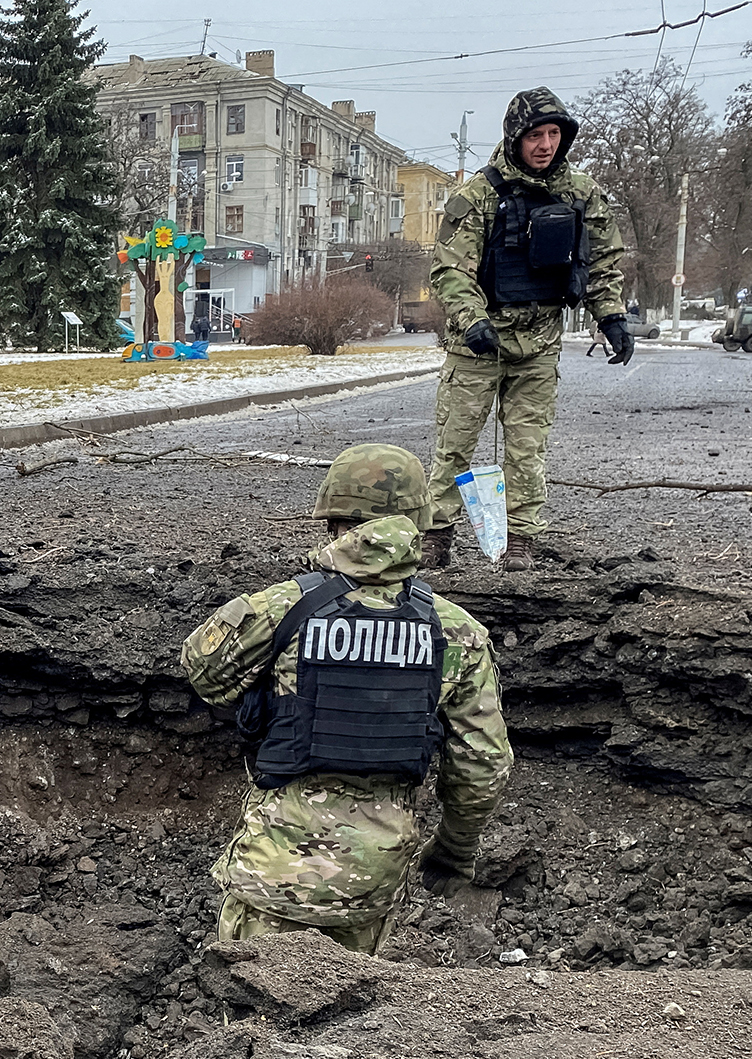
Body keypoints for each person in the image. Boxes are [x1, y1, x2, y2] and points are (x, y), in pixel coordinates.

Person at [181, 444, 514, 954]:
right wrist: (454, 851)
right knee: (348, 1002)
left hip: (271, 874)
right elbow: (483, 766)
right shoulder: (456, 631)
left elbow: (203, 674)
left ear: (334, 522)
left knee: (245, 1001)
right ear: (418, 525)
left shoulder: (284, 607)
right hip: (372, 883)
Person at [423, 87, 626, 573]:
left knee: (527, 446)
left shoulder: (581, 193)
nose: (545, 144)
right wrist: (472, 320)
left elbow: (602, 263)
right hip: (478, 344)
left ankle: (520, 540)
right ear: (516, 137)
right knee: (455, 444)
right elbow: (449, 270)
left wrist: (611, 316)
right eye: (535, 135)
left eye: (554, 134)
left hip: (539, 343)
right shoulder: (478, 195)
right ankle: (436, 534)